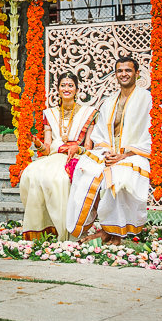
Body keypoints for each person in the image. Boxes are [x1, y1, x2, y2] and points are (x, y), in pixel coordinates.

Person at [63, 56, 162, 244]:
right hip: (110, 154)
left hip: (137, 155)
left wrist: (126, 154)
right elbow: (99, 135)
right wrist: (108, 153)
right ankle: (99, 227)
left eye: (128, 70)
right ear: (115, 75)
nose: (124, 74)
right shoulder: (109, 102)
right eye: (120, 71)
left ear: (137, 74)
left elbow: (159, 135)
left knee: (120, 176)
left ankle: (115, 231)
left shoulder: (149, 100)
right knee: (86, 169)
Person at [19, 71, 98, 241]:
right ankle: (43, 228)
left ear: (77, 89)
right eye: (63, 85)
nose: (67, 88)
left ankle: (66, 229)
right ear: (58, 89)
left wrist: (77, 149)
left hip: (76, 157)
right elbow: (47, 149)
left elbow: (88, 147)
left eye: (70, 85)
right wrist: (38, 143)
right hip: (54, 156)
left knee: (60, 180)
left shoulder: (89, 113)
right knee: (31, 174)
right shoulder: (50, 113)